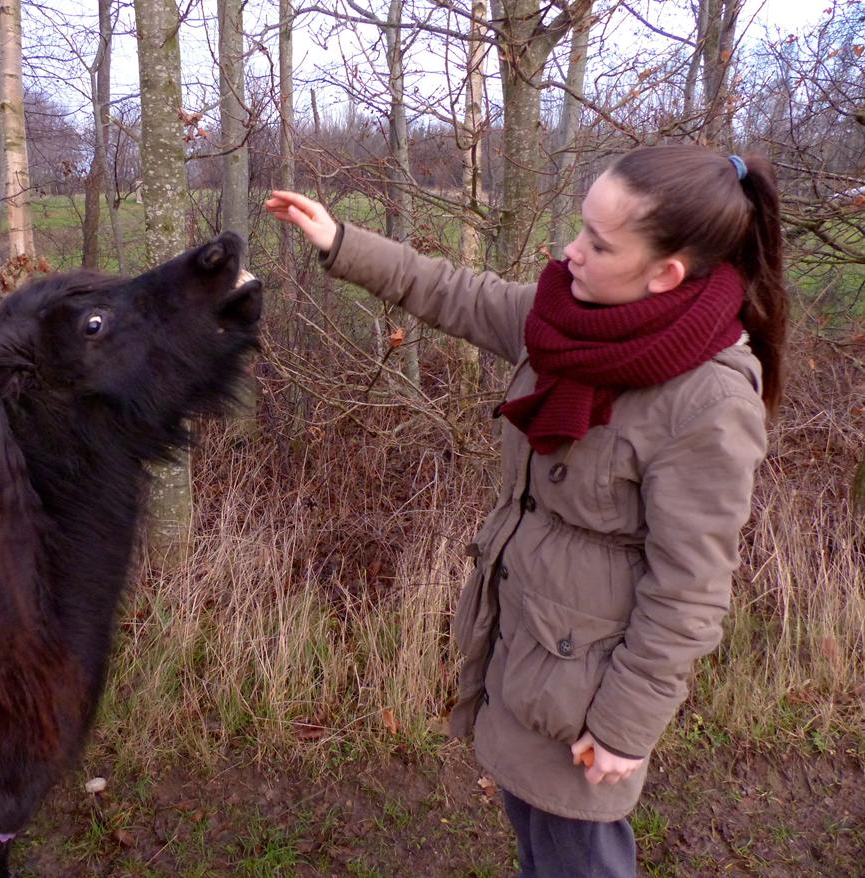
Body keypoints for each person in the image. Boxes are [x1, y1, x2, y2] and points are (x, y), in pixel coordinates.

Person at [266, 144, 787, 878]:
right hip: (525, 646)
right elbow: (452, 290)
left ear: (664, 273)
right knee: (535, 836)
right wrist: (341, 242)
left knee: (580, 857)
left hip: (589, 691)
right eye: (581, 227)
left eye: (598, 243)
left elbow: (691, 590)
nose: (568, 252)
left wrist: (624, 729)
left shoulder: (708, 401)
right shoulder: (568, 321)